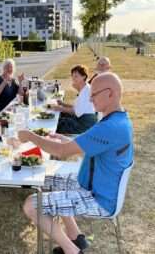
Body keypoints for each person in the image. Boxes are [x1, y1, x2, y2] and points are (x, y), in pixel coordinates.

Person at [17, 73, 134, 254]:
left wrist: (31, 137)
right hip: (93, 184)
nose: (90, 98)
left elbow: (61, 152)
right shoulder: (118, 119)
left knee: (31, 205)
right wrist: (63, 138)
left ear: (110, 93)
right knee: (45, 179)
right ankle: (76, 237)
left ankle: (71, 250)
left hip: (98, 197)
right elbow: (89, 146)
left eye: (94, 94)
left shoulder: (110, 126)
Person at [52, 65, 97, 134]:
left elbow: (75, 112)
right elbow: (77, 108)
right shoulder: (85, 89)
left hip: (84, 124)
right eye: (72, 76)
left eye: (76, 76)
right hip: (82, 119)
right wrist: (63, 104)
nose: (73, 78)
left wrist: (60, 108)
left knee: (56, 124)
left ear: (84, 77)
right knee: (60, 116)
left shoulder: (86, 91)